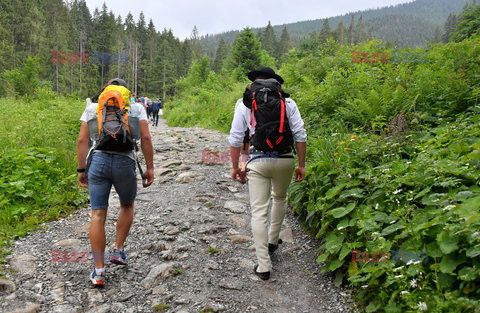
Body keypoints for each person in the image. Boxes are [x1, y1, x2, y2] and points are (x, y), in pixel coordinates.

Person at [228, 67, 307, 280]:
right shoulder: (287, 103)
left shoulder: (244, 103)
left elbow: (236, 138)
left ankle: (263, 265)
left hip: (259, 160)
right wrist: (301, 164)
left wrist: (236, 166)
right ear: (275, 83)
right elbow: (300, 134)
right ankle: (273, 240)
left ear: (253, 83)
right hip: (284, 159)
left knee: (258, 212)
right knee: (280, 198)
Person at [77, 78, 154, 286]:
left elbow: (82, 140)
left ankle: (99, 271)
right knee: (127, 205)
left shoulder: (93, 107)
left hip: (98, 161)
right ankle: (118, 251)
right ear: (126, 92)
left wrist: (81, 169)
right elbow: (145, 138)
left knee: (98, 214)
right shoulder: (136, 107)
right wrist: (150, 167)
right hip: (125, 161)